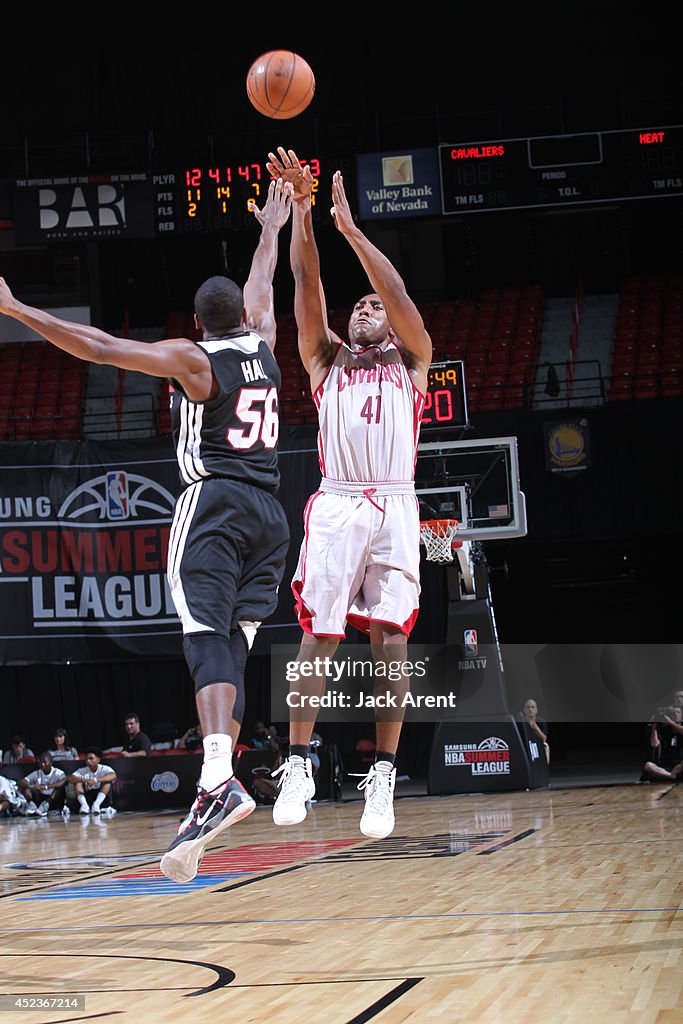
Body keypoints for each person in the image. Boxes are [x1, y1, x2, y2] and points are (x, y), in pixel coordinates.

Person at [0, 177, 293, 881]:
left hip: (217, 504)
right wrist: (270, 230)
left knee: (202, 644)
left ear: (197, 324)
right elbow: (262, 285)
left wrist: (12, 307)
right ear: (241, 318)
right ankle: (214, 785)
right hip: (271, 518)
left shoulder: (197, 362)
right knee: (233, 647)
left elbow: (99, 347)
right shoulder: (266, 343)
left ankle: (218, 781)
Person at [265, 148, 433, 840]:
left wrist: (352, 231)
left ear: (387, 325)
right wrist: (304, 217)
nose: (365, 309)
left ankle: (384, 776)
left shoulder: (413, 361)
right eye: (357, 305)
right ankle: (298, 760)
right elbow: (306, 288)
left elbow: (397, 297)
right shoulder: (325, 361)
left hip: (394, 503)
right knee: (318, 635)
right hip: (337, 502)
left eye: (372, 307)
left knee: (390, 638)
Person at [68, 747, 118, 815]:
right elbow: (71, 778)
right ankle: (84, 806)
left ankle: (96, 805)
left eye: (91, 758)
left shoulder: (104, 768)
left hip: (101, 798)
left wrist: (95, 780)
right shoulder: (82, 770)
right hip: (88, 797)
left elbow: (113, 775)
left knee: (107, 782)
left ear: (98, 759)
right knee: (77, 782)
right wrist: (85, 780)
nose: (88, 761)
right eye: (87, 759)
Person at [18, 751, 68, 816]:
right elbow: (21, 782)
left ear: (51, 763)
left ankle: (45, 806)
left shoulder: (57, 772)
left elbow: (65, 781)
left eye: (44, 762)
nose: (42, 764)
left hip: (53, 799)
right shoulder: (38, 773)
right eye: (41, 762)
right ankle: (32, 806)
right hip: (41, 798)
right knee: (26, 788)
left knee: (60, 788)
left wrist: (47, 786)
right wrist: (33, 787)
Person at [641, 705, 683, 782]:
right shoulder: (664, 730)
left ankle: (668, 776)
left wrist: (672, 723)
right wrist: (654, 728)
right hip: (665, 765)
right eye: (673, 713)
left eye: (678, 712)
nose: (676, 714)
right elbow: (654, 744)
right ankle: (671, 776)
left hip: (679, 764)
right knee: (648, 765)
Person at [520, 698, 550, 765]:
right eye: (528, 707)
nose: (530, 709)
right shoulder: (521, 723)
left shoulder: (541, 722)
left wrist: (536, 728)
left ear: (536, 710)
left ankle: (542, 766)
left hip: (537, 745)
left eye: (532, 707)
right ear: (524, 710)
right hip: (525, 745)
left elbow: (544, 739)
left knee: (545, 746)